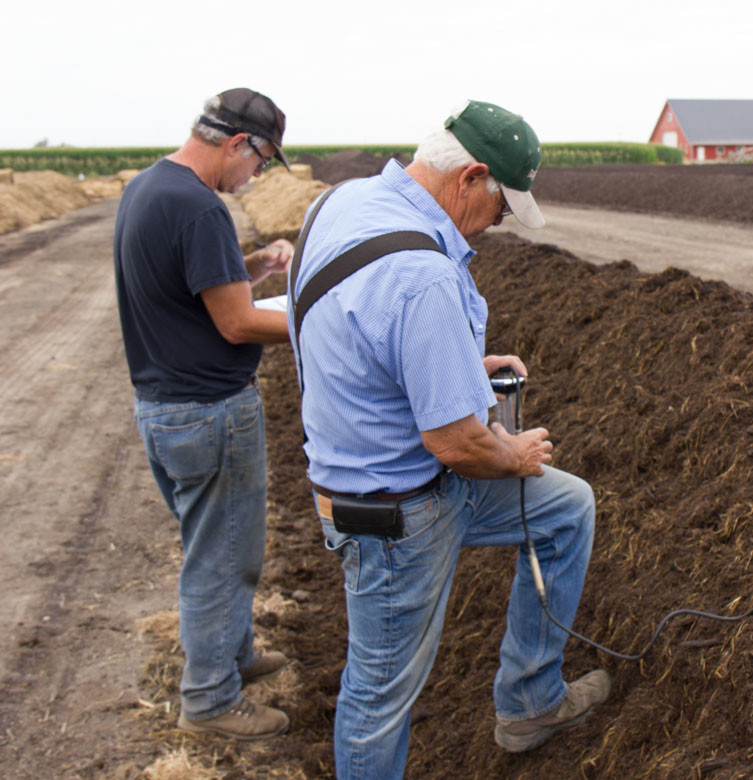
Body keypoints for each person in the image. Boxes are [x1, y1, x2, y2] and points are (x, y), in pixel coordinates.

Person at [290, 101, 610, 779]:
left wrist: (464, 364)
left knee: (566, 508)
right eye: (500, 209)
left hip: (373, 476)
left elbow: (359, 330)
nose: (495, 226)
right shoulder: (426, 274)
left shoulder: (341, 204)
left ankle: (530, 701)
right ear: (472, 176)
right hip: (398, 515)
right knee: (379, 695)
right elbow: (461, 446)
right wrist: (517, 454)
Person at [113, 88, 296, 740]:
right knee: (222, 559)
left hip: (163, 408)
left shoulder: (150, 188)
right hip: (209, 412)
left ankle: (234, 656)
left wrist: (251, 265)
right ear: (239, 144)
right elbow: (238, 322)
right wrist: (316, 317)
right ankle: (212, 702)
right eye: (263, 160)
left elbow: (183, 282)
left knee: (211, 547)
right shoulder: (200, 208)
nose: (257, 176)